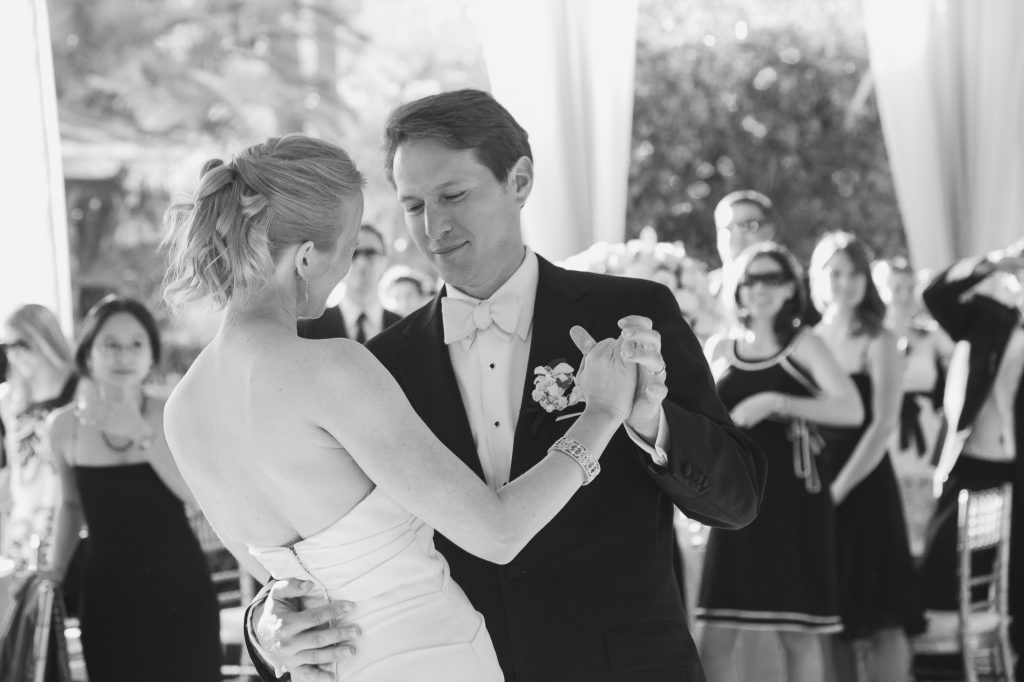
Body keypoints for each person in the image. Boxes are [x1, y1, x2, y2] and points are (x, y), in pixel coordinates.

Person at [242, 90, 767, 682]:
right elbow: (322, 534)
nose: (433, 227)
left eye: (453, 196)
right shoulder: (376, 366)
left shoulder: (631, 313)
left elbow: (739, 498)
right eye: (413, 205)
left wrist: (649, 421)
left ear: (519, 181)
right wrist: (267, 625)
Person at [160, 133, 648, 682]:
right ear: (303, 257)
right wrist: (602, 412)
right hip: (434, 661)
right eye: (348, 246)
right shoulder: (332, 369)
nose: (348, 266)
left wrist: (261, 624)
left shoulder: (181, 412)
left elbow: (280, 591)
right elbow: (500, 533)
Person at [697, 243, 862, 681]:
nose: (761, 289)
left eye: (773, 278)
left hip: (793, 506)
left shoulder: (805, 345)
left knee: (798, 634)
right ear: (737, 288)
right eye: (752, 279)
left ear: (791, 288)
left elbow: (852, 409)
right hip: (732, 507)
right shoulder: (719, 349)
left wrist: (777, 402)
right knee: (714, 636)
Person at [46, 295, 221, 681]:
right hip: (108, 590)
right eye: (111, 345)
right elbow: (70, 505)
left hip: (180, 586)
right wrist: (54, 572)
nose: (123, 355)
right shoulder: (63, 427)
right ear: (88, 354)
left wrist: (141, 436)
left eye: (136, 344)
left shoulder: (175, 412)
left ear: (151, 356)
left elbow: (200, 498)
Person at [809, 232, 923, 682]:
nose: (844, 282)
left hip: (866, 484)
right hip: (816, 483)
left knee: (882, 614)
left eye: (854, 272)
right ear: (817, 279)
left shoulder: (879, 339)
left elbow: (882, 426)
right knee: (830, 611)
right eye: (834, 272)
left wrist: (838, 490)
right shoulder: (807, 340)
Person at [918, 237, 1024, 680]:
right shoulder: (989, 314)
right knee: (951, 573)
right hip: (975, 465)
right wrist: (993, 262)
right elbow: (936, 294)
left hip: (1018, 472)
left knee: (1014, 584)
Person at [0, 304, 78, 571]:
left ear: (44, 338)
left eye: (21, 343)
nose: (13, 354)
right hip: (22, 531)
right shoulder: (11, 399)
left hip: (71, 523)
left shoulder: (81, 390)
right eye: (7, 345)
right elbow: (13, 469)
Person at [297, 223, 402, 341]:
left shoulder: (405, 329)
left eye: (370, 253)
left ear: (385, 261)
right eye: (353, 253)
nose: (362, 263)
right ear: (338, 262)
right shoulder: (305, 331)